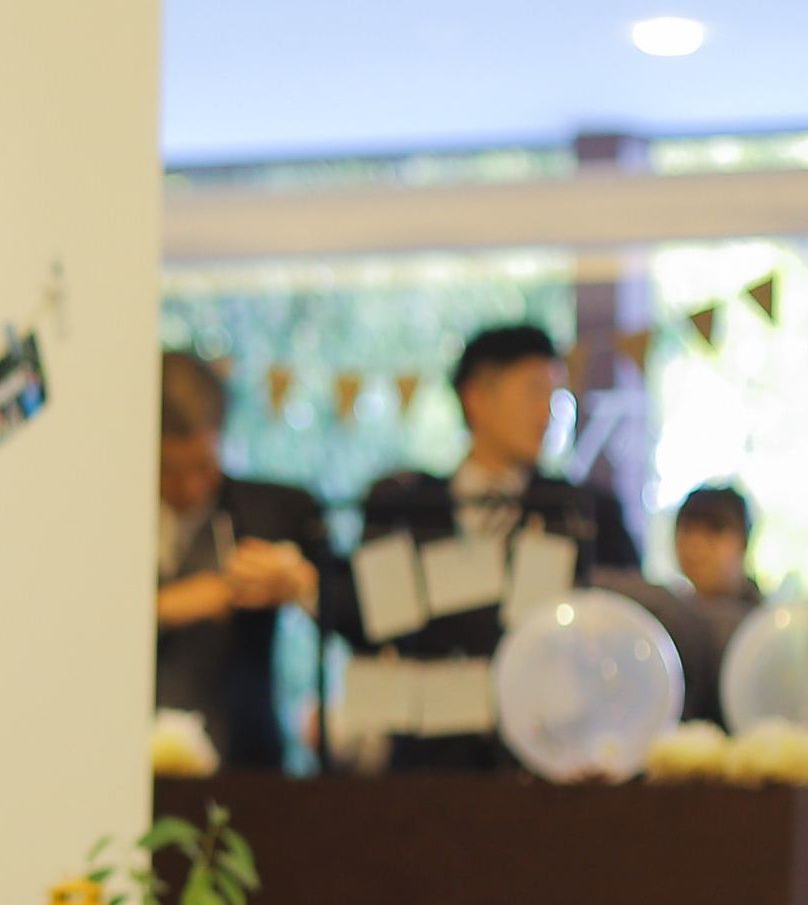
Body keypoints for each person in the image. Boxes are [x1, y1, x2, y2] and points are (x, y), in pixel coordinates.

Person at [355, 322, 637, 771]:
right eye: (532, 392)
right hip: (428, 763)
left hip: (552, 760)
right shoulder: (406, 507)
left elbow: (620, 623)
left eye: (555, 397)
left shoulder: (583, 511)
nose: (546, 413)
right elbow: (367, 619)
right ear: (477, 398)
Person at [153, 351, 335, 772]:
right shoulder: (103, 525)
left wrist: (302, 584)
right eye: (170, 470)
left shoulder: (273, 513)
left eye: (204, 466)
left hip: (243, 766)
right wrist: (162, 608)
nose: (190, 487)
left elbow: (355, 609)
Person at [666, 484, 763, 724]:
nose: (696, 545)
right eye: (687, 530)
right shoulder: (670, 616)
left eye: (714, 531)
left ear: (744, 542)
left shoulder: (762, 625)